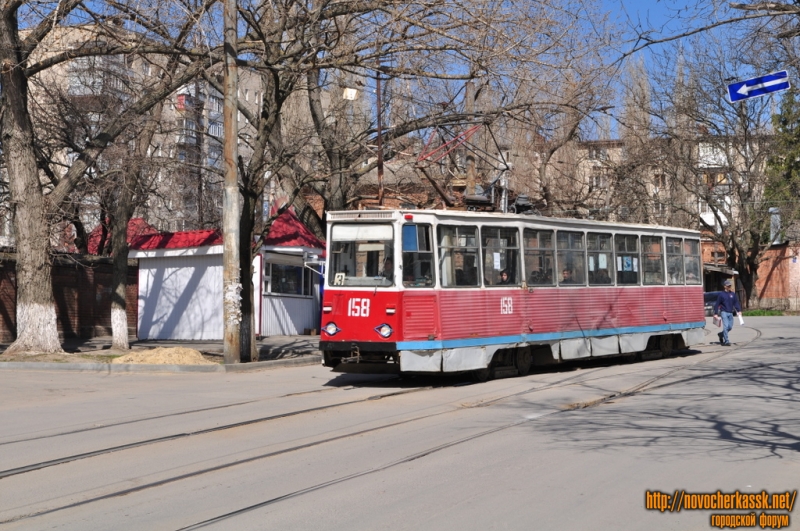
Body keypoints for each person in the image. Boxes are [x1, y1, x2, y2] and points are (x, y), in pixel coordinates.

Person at [714, 279, 741, 346]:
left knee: (730, 327)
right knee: (725, 327)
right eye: (728, 286)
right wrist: (716, 313)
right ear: (725, 286)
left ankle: (721, 334)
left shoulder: (732, 294)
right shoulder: (721, 295)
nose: (729, 287)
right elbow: (717, 304)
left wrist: (739, 310)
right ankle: (726, 341)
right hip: (724, 312)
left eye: (730, 286)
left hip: (730, 313)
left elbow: (736, 303)